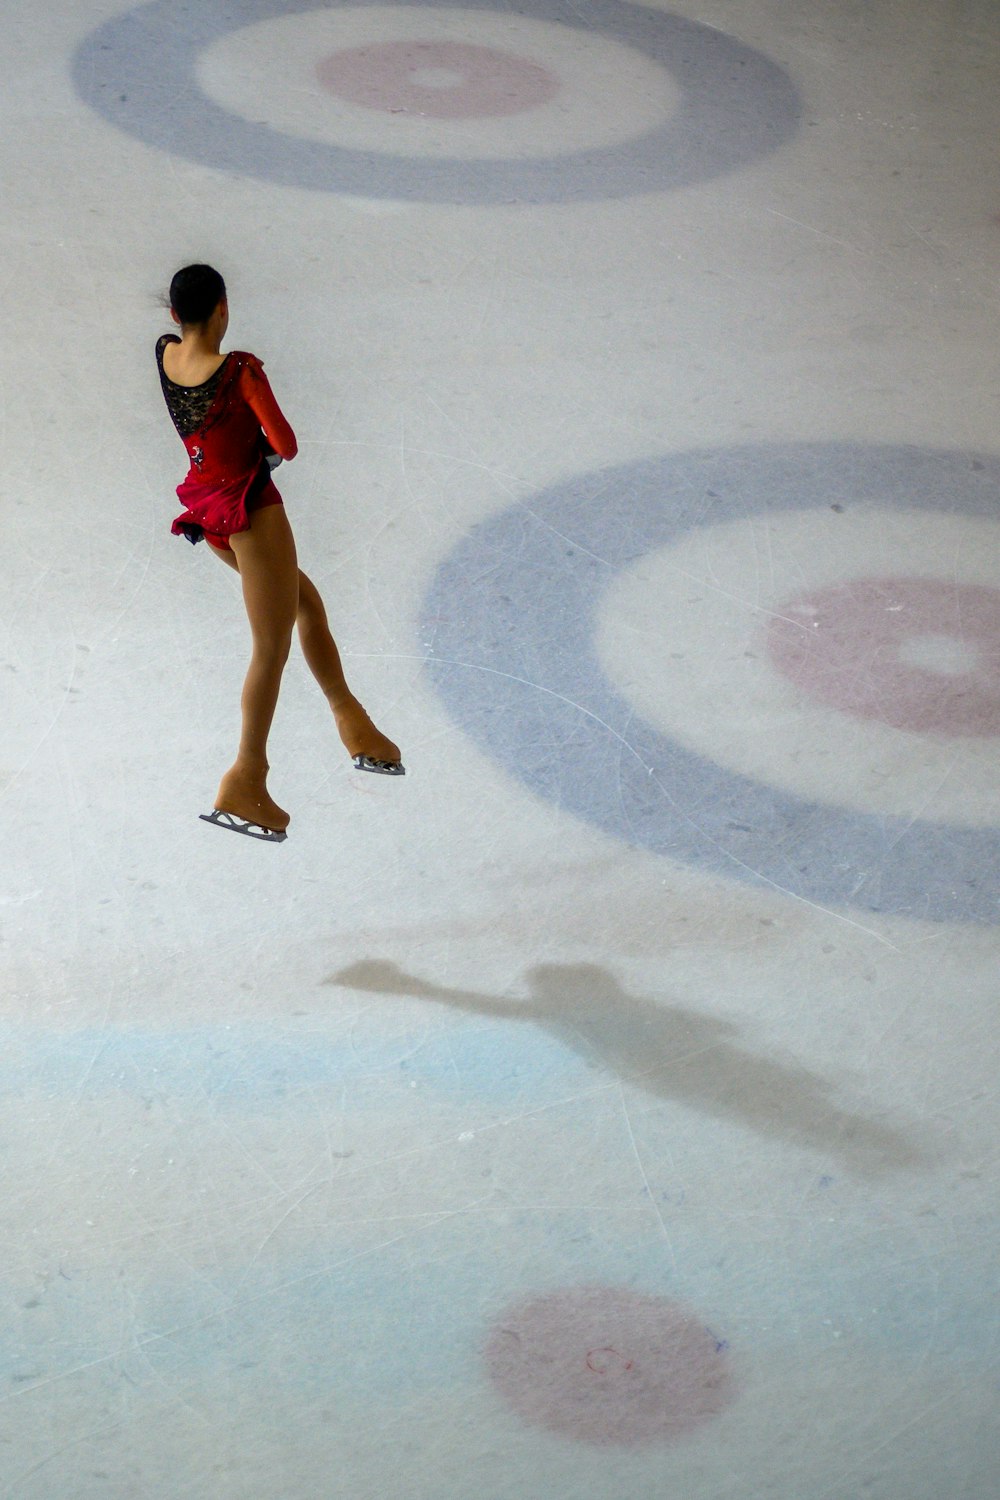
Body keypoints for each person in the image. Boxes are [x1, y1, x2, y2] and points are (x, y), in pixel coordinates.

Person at [156, 263, 403, 842]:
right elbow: (286, 444)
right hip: (251, 514)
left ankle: (354, 723)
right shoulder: (239, 370)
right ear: (223, 309)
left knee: (306, 605)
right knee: (270, 648)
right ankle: (247, 777)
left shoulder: (165, 353)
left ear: (174, 315)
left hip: (209, 513)